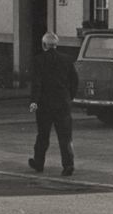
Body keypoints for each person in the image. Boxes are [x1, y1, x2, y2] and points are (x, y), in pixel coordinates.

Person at [28, 31, 79, 176]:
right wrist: (69, 96)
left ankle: (39, 162)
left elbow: (36, 84)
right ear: (56, 45)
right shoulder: (66, 59)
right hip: (63, 103)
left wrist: (34, 101)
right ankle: (68, 165)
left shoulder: (38, 60)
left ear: (44, 44)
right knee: (65, 137)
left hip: (44, 104)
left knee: (43, 135)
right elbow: (74, 81)